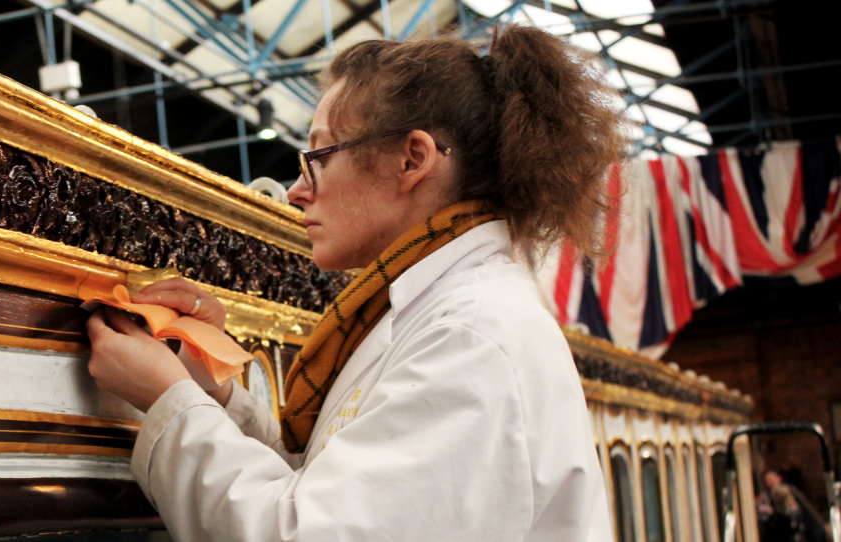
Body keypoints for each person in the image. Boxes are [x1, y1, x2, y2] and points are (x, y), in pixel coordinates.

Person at [85, 24, 625, 541]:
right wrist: (211, 390)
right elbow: (327, 489)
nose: (297, 189)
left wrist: (168, 399)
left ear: (412, 159)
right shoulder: (427, 311)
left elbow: (309, 533)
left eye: (318, 156)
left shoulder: (473, 335)